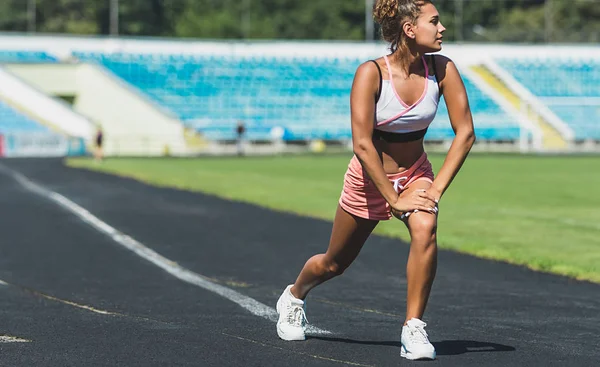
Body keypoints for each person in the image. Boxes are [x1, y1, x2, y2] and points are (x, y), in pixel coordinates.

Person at [275, 0, 475, 361]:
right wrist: (393, 200)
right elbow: (363, 145)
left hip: (416, 174)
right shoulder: (371, 73)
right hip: (369, 179)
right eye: (435, 21)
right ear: (410, 29)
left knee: (426, 227)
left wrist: (434, 189)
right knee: (334, 263)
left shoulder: (443, 69)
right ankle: (294, 295)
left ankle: (413, 327)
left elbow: (466, 134)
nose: (442, 28)